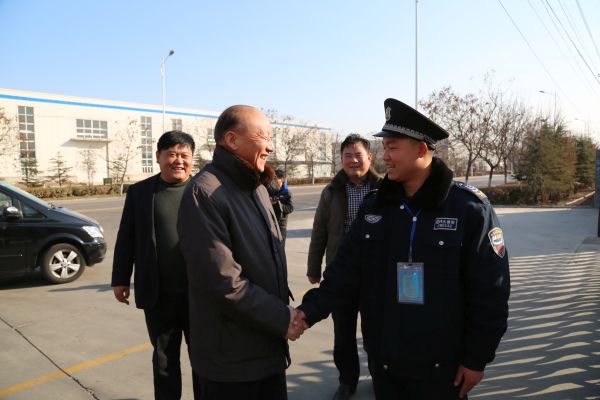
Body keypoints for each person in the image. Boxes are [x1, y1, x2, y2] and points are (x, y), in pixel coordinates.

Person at [296, 98, 510, 399]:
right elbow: (344, 270)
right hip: (385, 362)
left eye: (392, 147)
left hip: (443, 367)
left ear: (421, 150)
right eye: (384, 147)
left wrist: (476, 358)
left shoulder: (468, 209)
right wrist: (307, 313)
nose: (385, 156)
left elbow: (491, 291)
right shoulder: (375, 208)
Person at [177, 105, 304, 400]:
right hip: (232, 363)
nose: (271, 147)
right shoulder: (204, 193)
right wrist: (281, 318)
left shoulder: (256, 187)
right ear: (232, 140)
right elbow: (222, 282)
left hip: (266, 348)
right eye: (264, 137)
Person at [111, 130, 200, 400]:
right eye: (172, 154)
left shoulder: (204, 190)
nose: (179, 160)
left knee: (203, 359)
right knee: (163, 360)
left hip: (199, 295)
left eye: (184, 155)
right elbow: (126, 237)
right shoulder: (140, 193)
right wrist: (120, 279)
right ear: (158, 156)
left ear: (192, 158)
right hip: (159, 295)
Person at [306, 134, 382, 399]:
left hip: (376, 274)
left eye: (358, 155)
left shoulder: (385, 189)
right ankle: (347, 381)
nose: (353, 161)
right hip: (341, 274)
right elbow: (319, 231)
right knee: (343, 333)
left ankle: (381, 377)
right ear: (341, 159)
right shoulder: (331, 191)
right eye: (347, 156)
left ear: (369, 157)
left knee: (377, 330)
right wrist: (313, 267)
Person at [266, 168, 294, 242]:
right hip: (271, 223)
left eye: (276, 179)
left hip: (281, 225)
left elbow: (290, 208)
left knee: (280, 245)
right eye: (273, 179)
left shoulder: (287, 192)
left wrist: (278, 204)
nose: (273, 181)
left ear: (281, 179)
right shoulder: (270, 190)